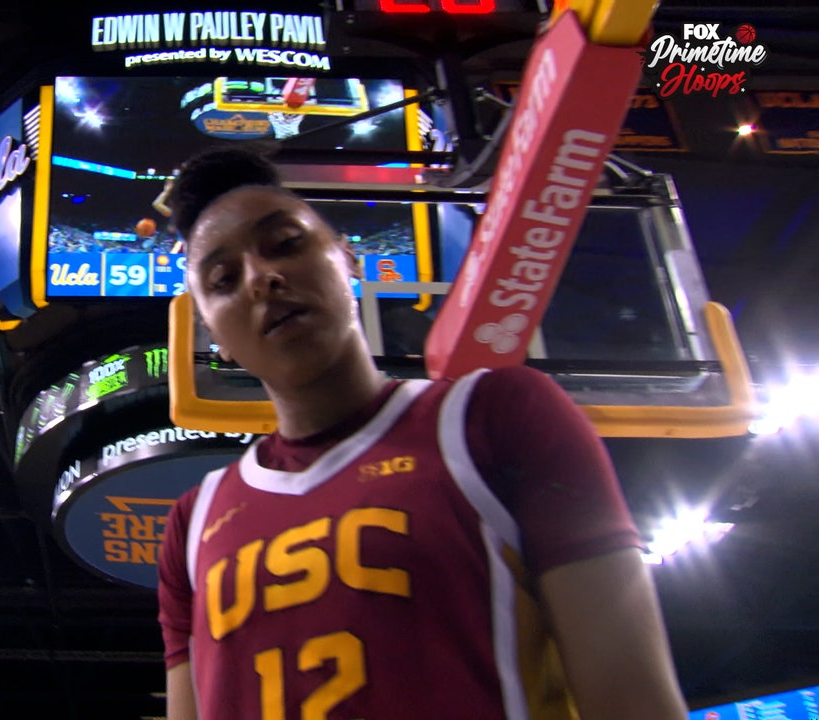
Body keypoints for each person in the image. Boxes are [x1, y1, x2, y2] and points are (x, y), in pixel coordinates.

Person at [155, 146, 689, 720]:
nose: (262, 278)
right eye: (224, 279)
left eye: (285, 243)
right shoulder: (194, 522)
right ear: (213, 336)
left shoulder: (496, 415)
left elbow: (635, 702)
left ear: (348, 259)